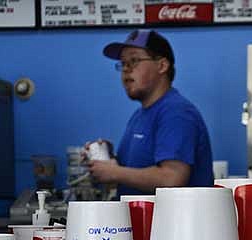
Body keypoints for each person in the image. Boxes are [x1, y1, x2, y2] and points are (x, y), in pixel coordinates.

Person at [88, 29, 214, 196]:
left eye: (134, 60)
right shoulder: (139, 116)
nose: (126, 69)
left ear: (162, 65)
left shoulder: (176, 113)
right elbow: (133, 173)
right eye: (123, 63)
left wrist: (115, 172)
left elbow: (172, 178)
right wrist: (107, 160)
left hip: (172, 222)